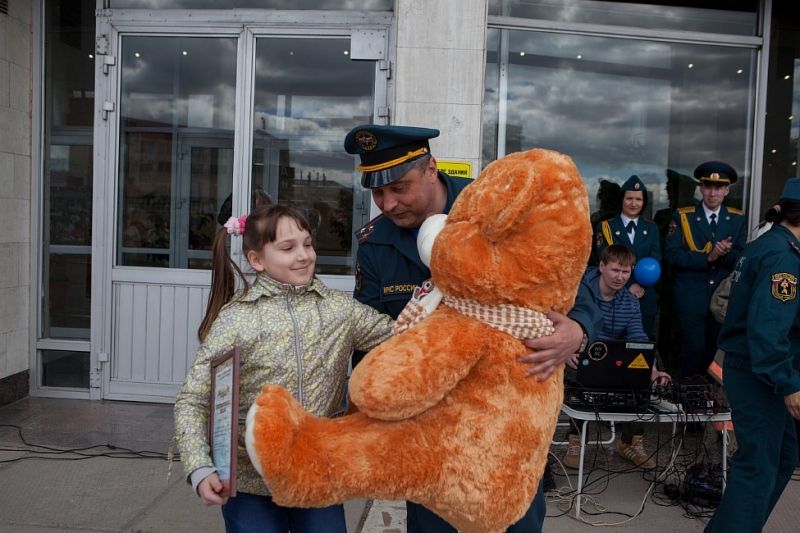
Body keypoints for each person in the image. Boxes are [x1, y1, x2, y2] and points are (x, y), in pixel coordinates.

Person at [345, 123, 603, 533]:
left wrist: (578, 330)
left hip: (507, 421)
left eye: (400, 188)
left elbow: (568, 278)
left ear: (431, 168)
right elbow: (370, 334)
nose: (389, 204)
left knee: (515, 521)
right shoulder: (376, 242)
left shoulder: (495, 205)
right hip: (432, 431)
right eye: (378, 193)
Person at [174, 204, 394, 533]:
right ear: (257, 260)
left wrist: (436, 304)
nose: (304, 255)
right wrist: (199, 467)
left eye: (308, 244)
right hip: (251, 484)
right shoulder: (237, 319)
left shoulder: (338, 310)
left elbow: (399, 336)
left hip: (320, 474)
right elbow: (193, 398)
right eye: (288, 248)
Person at [706, 178, 800, 533]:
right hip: (762, 373)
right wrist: (789, 385)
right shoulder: (782, 258)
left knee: (781, 459)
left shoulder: (771, 245)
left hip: (762, 369)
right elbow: (768, 329)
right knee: (759, 465)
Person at [563, 245, 670, 470]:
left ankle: (630, 443)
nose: (620, 277)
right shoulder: (579, 291)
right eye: (615, 270)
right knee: (579, 376)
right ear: (601, 267)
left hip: (613, 357)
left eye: (626, 272)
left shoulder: (630, 301)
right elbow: (564, 324)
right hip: (580, 353)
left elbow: (638, 338)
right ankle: (575, 440)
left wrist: (654, 372)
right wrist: (568, 350)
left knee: (641, 375)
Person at [664, 161, 746, 377]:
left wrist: (726, 254)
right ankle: (688, 398)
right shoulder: (683, 216)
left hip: (721, 296)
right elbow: (672, 255)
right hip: (691, 293)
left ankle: (712, 402)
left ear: (727, 190)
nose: (713, 193)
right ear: (701, 188)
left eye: (718, 188)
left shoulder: (737, 219)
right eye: (708, 186)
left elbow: (742, 258)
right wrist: (708, 257)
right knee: (693, 349)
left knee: (715, 351)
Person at [595, 175, 661, 339]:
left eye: (638, 199)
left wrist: (640, 284)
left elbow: (656, 259)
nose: (634, 203)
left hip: (643, 296)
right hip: (613, 297)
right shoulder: (606, 226)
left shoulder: (652, 228)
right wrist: (629, 285)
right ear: (622, 200)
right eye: (629, 198)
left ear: (643, 202)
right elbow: (601, 259)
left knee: (640, 351)